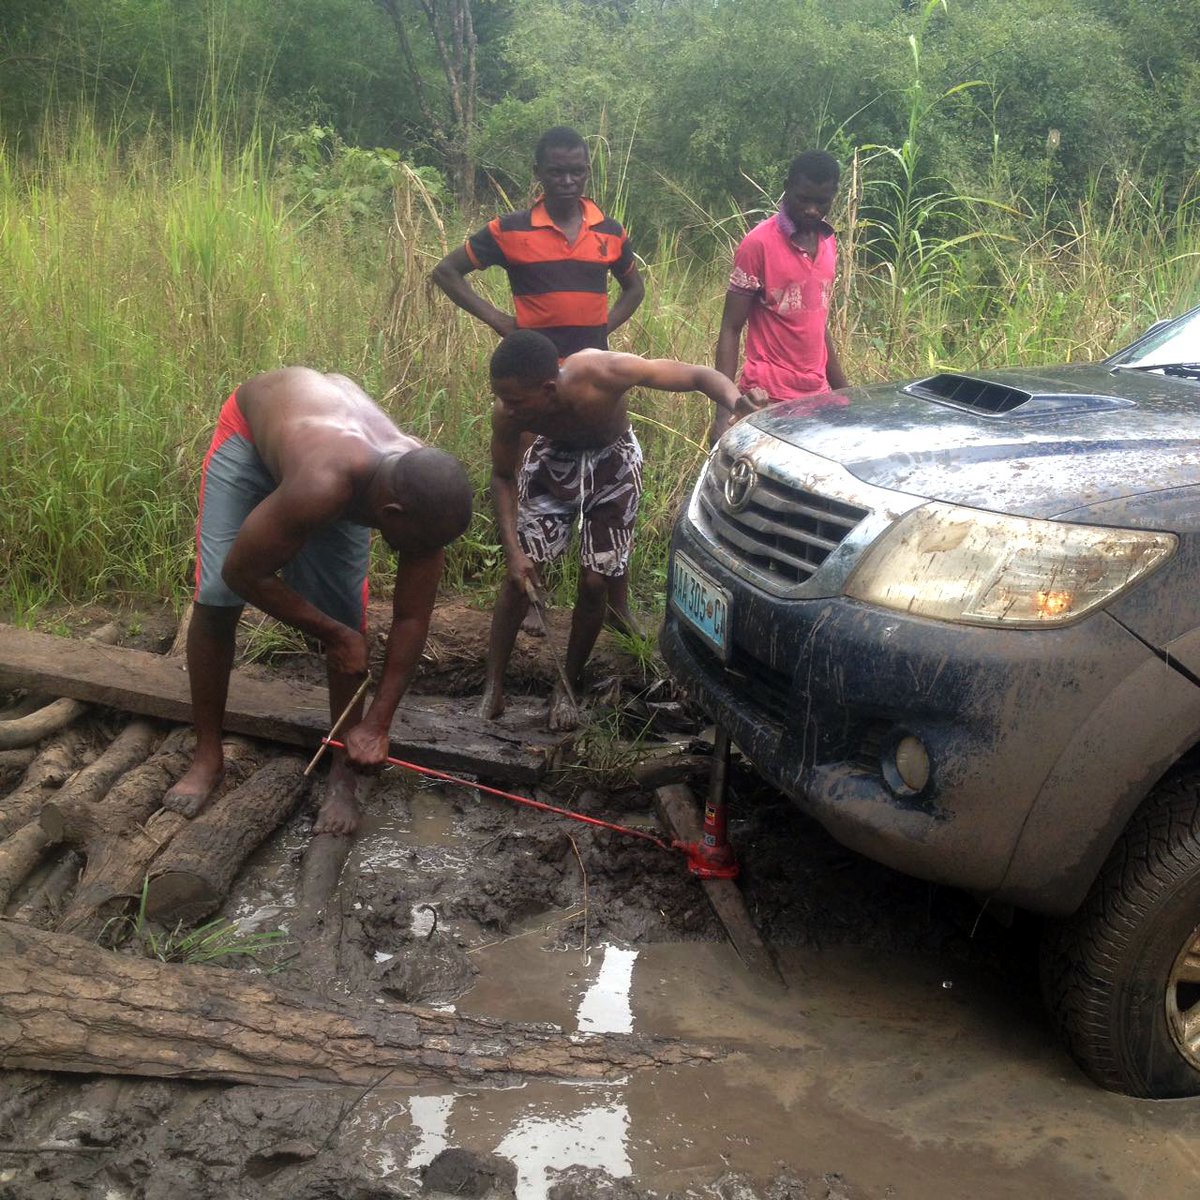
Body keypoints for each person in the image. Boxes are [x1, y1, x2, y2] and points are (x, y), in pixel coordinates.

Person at [162, 367, 474, 836]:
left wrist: (378, 724)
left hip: (333, 458)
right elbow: (243, 572)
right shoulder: (324, 484)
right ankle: (208, 755)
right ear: (389, 516)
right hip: (252, 437)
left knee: (346, 614)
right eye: (422, 547)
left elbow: (412, 618)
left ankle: (343, 774)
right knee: (217, 598)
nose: (426, 557)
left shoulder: (424, 495)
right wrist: (331, 634)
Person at [480, 330, 765, 732]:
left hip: (613, 462)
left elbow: (698, 376)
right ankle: (492, 686)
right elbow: (502, 477)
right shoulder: (508, 415)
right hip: (553, 461)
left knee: (596, 583)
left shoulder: (601, 373)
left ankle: (568, 685)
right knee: (518, 579)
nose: (505, 408)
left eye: (514, 400)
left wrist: (737, 401)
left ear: (547, 388)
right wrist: (513, 551)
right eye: (502, 398)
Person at [431, 124, 645, 635]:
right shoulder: (510, 229)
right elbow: (446, 272)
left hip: (594, 387)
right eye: (556, 171)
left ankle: (616, 602)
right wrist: (500, 322)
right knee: (535, 490)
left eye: (577, 170)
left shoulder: (610, 231)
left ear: (588, 170)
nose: (568, 180)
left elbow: (634, 288)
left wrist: (603, 330)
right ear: (538, 173)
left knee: (612, 493)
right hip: (536, 386)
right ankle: (531, 597)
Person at [714, 149, 850, 442]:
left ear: (834, 196)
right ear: (787, 187)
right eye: (803, 199)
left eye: (822, 202)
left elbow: (816, 320)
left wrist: (845, 393)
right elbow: (731, 327)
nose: (812, 210)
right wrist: (723, 413)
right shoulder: (757, 245)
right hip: (768, 398)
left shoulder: (828, 244)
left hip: (818, 397)